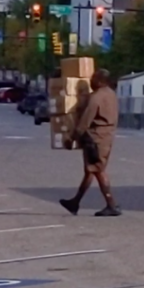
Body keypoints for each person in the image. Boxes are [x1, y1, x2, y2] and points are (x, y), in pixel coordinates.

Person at [59, 68, 121, 217]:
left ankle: (111, 204)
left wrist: (72, 138)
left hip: (95, 138)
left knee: (97, 169)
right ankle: (75, 202)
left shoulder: (96, 98)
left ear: (100, 81)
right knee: (91, 170)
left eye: (93, 78)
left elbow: (85, 121)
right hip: (106, 136)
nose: (91, 81)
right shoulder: (111, 94)